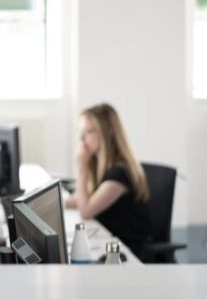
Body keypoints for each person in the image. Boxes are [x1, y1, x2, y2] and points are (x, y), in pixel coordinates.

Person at [65, 103, 151, 258]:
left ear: (109, 132)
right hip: (109, 241)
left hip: (127, 252)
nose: (82, 139)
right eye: (81, 132)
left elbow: (86, 211)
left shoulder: (119, 173)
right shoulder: (100, 164)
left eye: (89, 132)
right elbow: (84, 198)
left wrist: (81, 168)